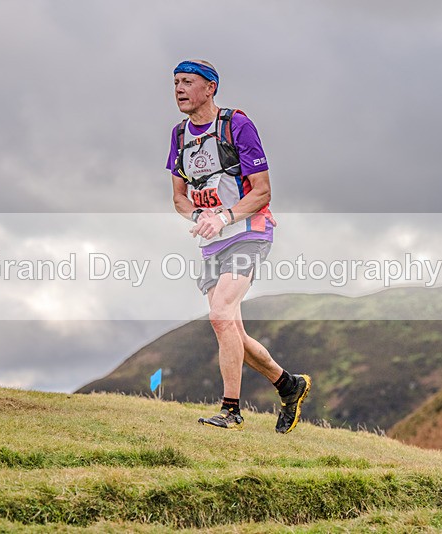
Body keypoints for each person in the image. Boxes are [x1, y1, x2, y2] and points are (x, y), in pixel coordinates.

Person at [167, 60, 311, 433]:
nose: (179, 89)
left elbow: (262, 191)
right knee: (232, 329)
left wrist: (224, 216)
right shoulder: (179, 135)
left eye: (188, 82)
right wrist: (198, 216)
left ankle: (230, 410)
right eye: (175, 83)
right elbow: (179, 198)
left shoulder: (237, 125)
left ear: (211, 87)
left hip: (249, 232)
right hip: (213, 242)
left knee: (219, 315)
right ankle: (289, 385)